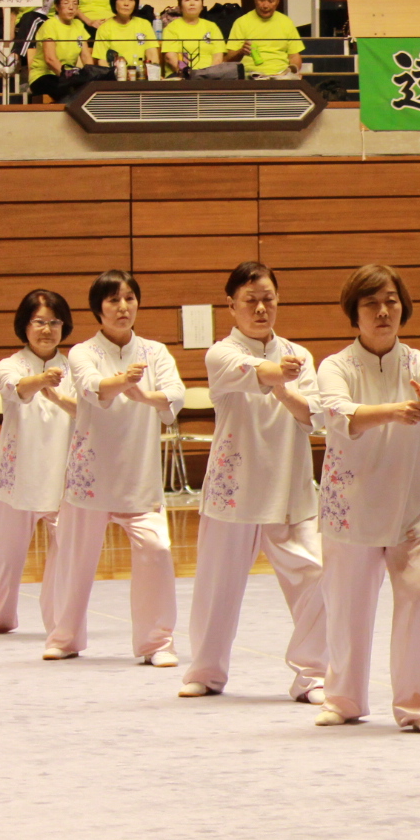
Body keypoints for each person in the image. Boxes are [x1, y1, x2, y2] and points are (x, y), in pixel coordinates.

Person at [311, 264, 420, 733]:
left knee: (419, 598)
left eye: (391, 301)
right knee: (348, 603)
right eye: (371, 303)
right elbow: (337, 413)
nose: (383, 311)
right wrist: (394, 411)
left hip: (416, 501)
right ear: (354, 312)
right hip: (351, 503)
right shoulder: (335, 365)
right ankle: (343, 696)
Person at [180, 262, 328, 704]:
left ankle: (313, 675)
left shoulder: (300, 356)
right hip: (234, 489)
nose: (261, 308)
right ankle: (205, 672)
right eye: (250, 300)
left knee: (319, 576)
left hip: (290, 487)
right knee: (215, 585)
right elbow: (258, 372)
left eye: (268, 299)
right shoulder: (220, 353)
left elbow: (311, 416)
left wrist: (287, 384)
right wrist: (279, 375)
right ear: (231, 306)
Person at [44, 269, 184, 665]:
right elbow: (93, 389)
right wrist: (123, 381)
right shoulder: (83, 353)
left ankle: (156, 643)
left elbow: (173, 398)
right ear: (98, 309)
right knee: (75, 557)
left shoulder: (155, 352)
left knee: (156, 550)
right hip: (90, 478)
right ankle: (65, 636)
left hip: (139, 477)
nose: (123, 307)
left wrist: (144, 393)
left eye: (129, 299)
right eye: (113, 301)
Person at [0, 291, 76, 636]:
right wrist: (41, 381)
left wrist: (58, 391)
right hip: (18, 478)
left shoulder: (77, 367)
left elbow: (89, 410)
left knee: (66, 556)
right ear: (25, 325)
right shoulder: (9, 365)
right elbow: (18, 389)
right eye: (39, 322)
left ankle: (59, 622)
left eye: (54, 322)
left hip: (63, 477)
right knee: (2, 554)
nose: (47, 329)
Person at [27, 0, 96, 101]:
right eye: (66, 3)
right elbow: (50, 60)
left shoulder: (78, 25)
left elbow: (86, 56)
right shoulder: (50, 25)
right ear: (57, 6)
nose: (71, 7)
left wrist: (92, 77)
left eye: (75, 4)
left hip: (68, 75)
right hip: (44, 76)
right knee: (67, 90)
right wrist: (68, 79)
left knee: (90, 88)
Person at [225, 0, 304, 80]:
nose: (265, 5)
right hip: (250, 75)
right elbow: (228, 59)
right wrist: (241, 51)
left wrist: (292, 70)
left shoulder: (286, 22)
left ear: (278, 1)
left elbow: (294, 57)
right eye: (261, 0)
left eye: (271, 1)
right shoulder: (241, 22)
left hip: (280, 75)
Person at [160, 0, 235, 78]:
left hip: (209, 77)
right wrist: (187, 75)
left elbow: (218, 57)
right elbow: (170, 58)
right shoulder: (171, 28)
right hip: (181, 76)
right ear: (180, 7)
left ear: (202, 6)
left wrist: (209, 74)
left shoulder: (212, 27)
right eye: (187, 0)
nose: (192, 3)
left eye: (196, 0)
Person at [90, 0, 158, 75]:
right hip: (115, 79)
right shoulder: (104, 28)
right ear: (114, 2)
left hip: (140, 77)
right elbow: (102, 62)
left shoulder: (144, 24)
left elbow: (153, 56)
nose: (126, 3)